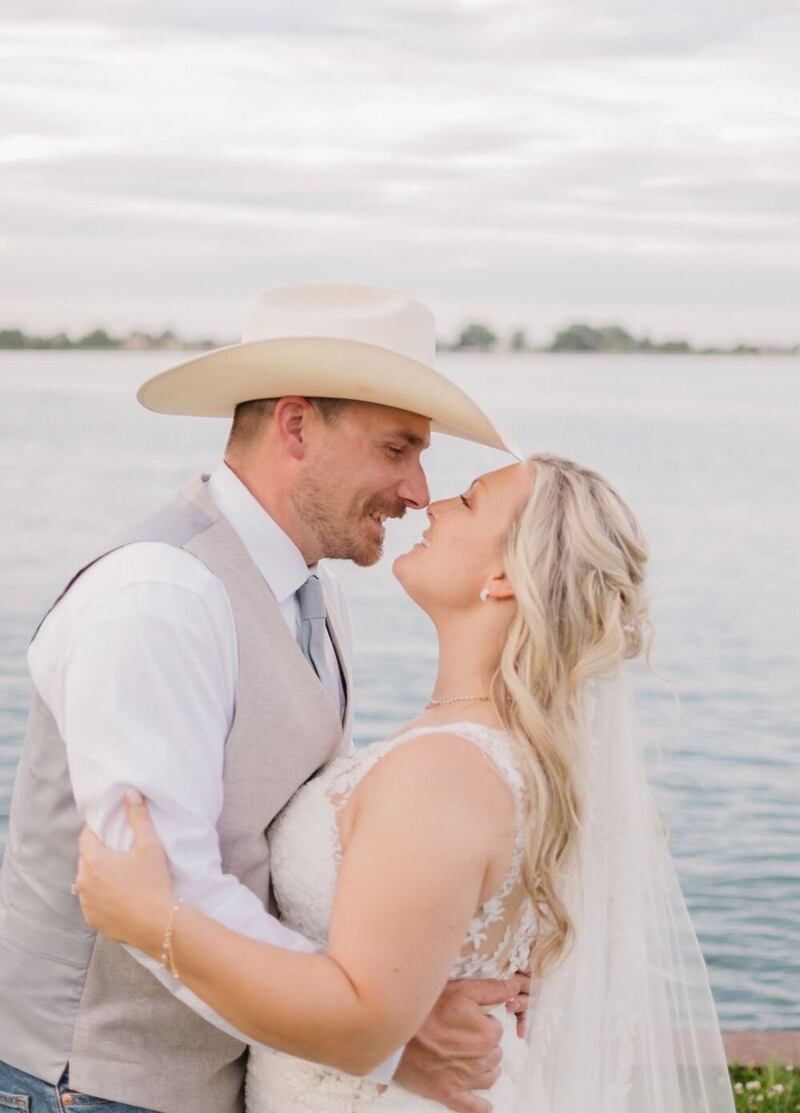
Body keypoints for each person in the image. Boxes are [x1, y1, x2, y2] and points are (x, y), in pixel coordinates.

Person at [0, 283, 526, 1113]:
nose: (420, 490)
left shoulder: (313, 588)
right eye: (398, 449)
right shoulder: (159, 596)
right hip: (90, 1088)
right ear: (294, 426)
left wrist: (396, 996)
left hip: (223, 1078)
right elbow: (158, 893)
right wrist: (378, 1039)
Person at [75, 454, 736, 1113]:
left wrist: (153, 920)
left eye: (470, 501)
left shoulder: (444, 771)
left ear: (506, 575)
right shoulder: (501, 752)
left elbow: (364, 1019)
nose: (433, 504)